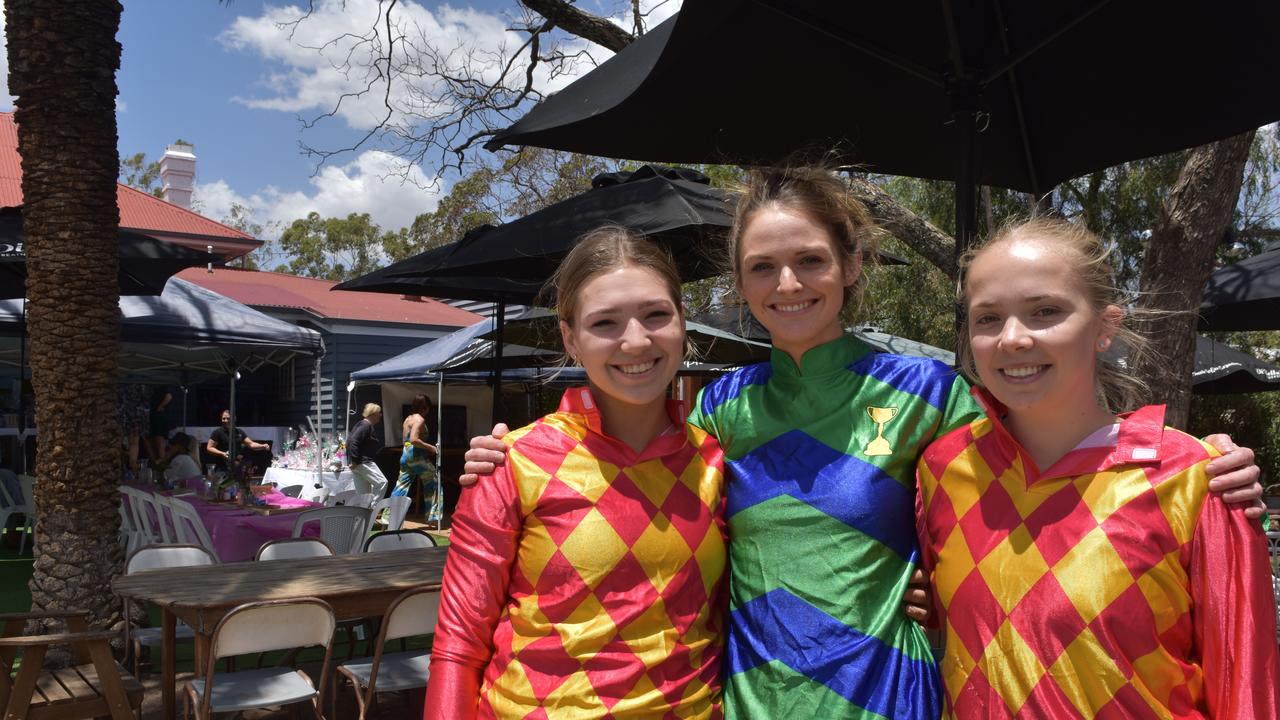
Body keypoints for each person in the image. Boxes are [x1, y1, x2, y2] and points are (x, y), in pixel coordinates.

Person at [464, 167, 1265, 719]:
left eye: (811, 260)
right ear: (738, 286)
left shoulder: (930, 395)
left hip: (889, 691)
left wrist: (1189, 459)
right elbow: (638, 484)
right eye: (762, 268)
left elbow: (1051, 466)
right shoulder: (718, 406)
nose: (788, 285)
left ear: (851, 265)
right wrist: (520, 451)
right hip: (748, 695)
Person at [917, 218, 1280, 717]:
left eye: (1045, 311)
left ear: (1105, 327)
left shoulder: (1198, 480)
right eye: (988, 318)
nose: (1013, 338)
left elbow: (1246, 686)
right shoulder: (942, 469)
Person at [424, 227, 727, 719]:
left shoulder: (715, 462)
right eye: (605, 322)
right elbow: (458, 644)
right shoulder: (512, 461)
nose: (636, 340)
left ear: (682, 322)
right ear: (571, 337)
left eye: (656, 315)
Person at [395, 394, 439, 520]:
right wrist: (431, 448)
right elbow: (414, 439)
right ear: (425, 407)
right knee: (434, 481)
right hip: (416, 456)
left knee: (401, 486)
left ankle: (389, 518)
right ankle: (432, 516)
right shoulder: (419, 419)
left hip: (405, 455)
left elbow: (406, 440)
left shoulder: (408, 418)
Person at [346, 403, 388, 497]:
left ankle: (365, 510)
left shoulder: (362, 425)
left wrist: (353, 460)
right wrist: (355, 460)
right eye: (379, 413)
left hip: (358, 464)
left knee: (364, 495)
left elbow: (349, 441)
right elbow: (352, 442)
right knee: (382, 483)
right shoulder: (365, 425)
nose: (380, 415)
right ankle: (373, 508)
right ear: (373, 414)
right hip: (363, 463)